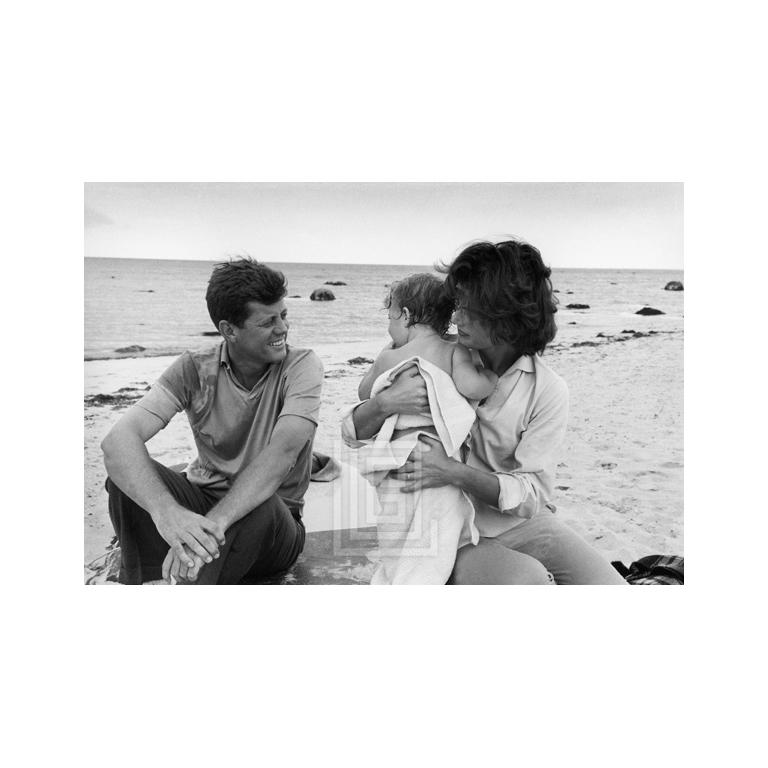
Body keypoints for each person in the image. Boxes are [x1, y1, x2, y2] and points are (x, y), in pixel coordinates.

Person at [342, 240, 626, 584]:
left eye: (470, 309)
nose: (456, 317)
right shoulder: (432, 354)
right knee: (529, 581)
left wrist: (453, 472)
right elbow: (352, 434)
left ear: (506, 317)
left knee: (611, 587)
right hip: (451, 526)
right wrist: (385, 403)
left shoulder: (547, 389)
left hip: (519, 523)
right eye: (457, 304)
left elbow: (532, 494)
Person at [102, 257, 324, 584]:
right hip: (204, 502)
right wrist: (169, 514)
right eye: (268, 322)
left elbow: (283, 453)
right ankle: (141, 579)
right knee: (125, 479)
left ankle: (196, 576)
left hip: (273, 526)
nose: (283, 329)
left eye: (284, 315)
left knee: (263, 507)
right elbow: (117, 441)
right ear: (228, 330)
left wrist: (210, 528)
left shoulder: (301, 366)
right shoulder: (194, 368)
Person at [353, 274, 495, 584]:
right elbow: (472, 387)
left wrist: (387, 356)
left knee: (396, 539)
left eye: (389, 316)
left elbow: (365, 393)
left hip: (394, 464)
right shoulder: (453, 350)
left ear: (404, 316)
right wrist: (492, 376)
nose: (389, 327)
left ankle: (393, 579)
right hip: (435, 460)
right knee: (434, 540)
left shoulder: (390, 356)